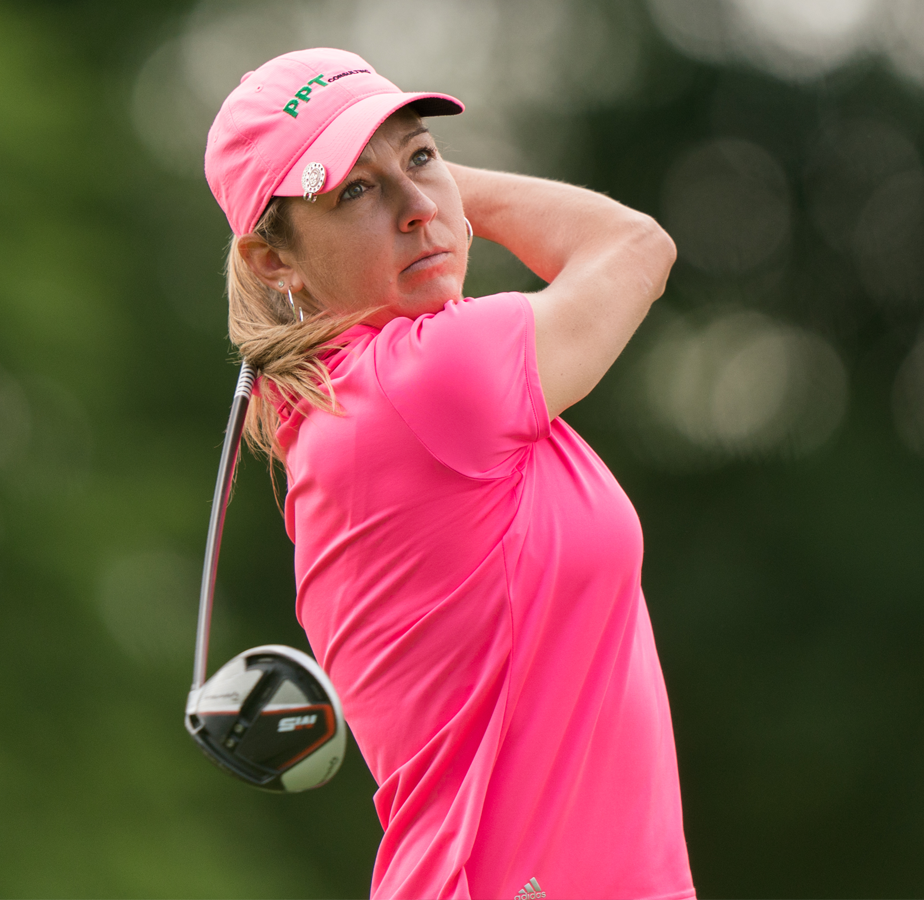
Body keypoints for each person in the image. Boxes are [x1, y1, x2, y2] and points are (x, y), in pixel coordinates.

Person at [203, 47, 694, 900]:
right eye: (355, 191)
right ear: (272, 262)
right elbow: (633, 245)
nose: (415, 208)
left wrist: (400, 179)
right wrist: (440, 187)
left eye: (423, 155)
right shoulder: (428, 380)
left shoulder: (348, 406)